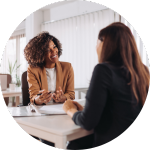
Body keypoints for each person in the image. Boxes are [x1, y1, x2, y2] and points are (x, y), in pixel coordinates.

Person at [63, 22, 150, 149]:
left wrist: (70, 110)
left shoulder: (104, 70)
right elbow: (123, 111)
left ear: (105, 43)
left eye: (97, 42)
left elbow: (87, 123)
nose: (95, 46)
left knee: (72, 144)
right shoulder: (142, 71)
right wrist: (86, 111)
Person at [24, 31, 75, 146]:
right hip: (43, 117)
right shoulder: (32, 69)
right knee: (50, 141)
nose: (53, 52)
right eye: (48, 50)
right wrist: (39, 99)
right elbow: (33, 97)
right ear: (39, 53)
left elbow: (71, 94)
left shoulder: (67, 67)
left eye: (54, 47)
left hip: (62, 114)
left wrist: (63, 98)